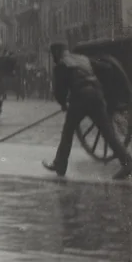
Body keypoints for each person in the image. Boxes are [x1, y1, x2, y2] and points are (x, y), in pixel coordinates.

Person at [42, 42, 131, 180]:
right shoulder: (83, 59)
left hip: (80, 97)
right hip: (97, 95)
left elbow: (59, 91)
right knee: (108, 132)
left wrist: (63, 104)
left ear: (56, 53)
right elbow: (107, 67)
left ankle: (60, 164)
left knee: (68, 131)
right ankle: (127, 162)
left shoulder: (61, 65)